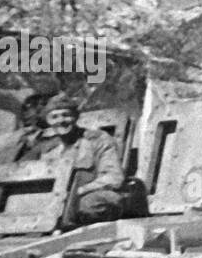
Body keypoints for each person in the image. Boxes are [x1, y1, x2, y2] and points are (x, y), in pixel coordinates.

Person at [19, 92, 125, 226]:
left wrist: (80, 191)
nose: (61, 121)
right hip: (57, 201)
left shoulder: (98, 140)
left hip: (88, 195)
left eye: (66, 115)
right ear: (48, 121)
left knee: (90, 205)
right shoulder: (47, 148)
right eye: (54, 117)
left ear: (76, 117)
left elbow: (114, 177)